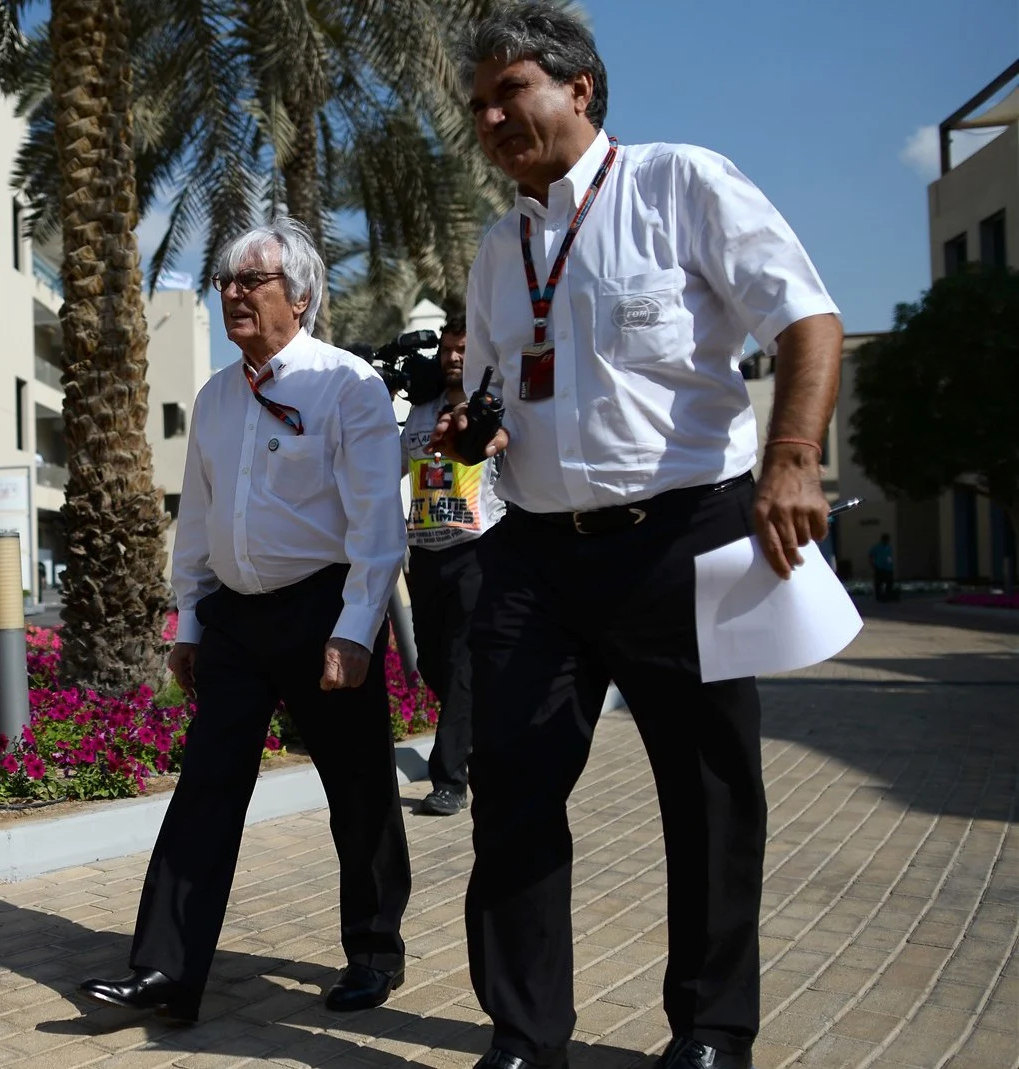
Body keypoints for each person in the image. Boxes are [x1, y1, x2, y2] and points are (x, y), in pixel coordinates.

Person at [430, 6, 843, 1068]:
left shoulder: (680, 185)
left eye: (506, 90)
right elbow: (495, 394)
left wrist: (792, 455)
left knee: (708, 796)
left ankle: (710, 1033)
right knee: (511, 787)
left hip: (684, 534)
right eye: (476, 104)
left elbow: (804, 318)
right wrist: (473, 425)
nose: (488, 116)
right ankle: (524, 1035)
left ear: (579, 89)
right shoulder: (496, 246)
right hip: (532, 548)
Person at [79, 218, 412, 1022]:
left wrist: (357, 628)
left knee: (358, 786)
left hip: (322, 610)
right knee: (205, 790)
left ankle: (373, 951)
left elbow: (377, 523)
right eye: (225, 279)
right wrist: (189, 622)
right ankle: (167, 970)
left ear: (298, 297)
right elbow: (197, 518)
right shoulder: (216, 397)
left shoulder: (347, 385)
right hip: (233, 620)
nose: (231, 292)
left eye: (251, 279)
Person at [401, 315, 504, 818]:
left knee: (463, 665)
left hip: (475, 551)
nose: (454, 357)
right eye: (447, 349)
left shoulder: (489, 410)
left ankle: (450, 781)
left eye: (463, 348)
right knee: (433, 664)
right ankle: (477, 733)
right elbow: (388, 463)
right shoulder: (419, 412)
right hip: (424, 555)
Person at [870, 534, 896, 602]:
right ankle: (879, 596)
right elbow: (871, 555)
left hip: (888, 567)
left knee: (889, 582)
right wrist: (873, 564)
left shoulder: (889, 547)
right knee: (879, 582)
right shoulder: (877, 547)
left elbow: (889, 557)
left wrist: (891, 565)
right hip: (879, 567)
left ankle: (888, 595)